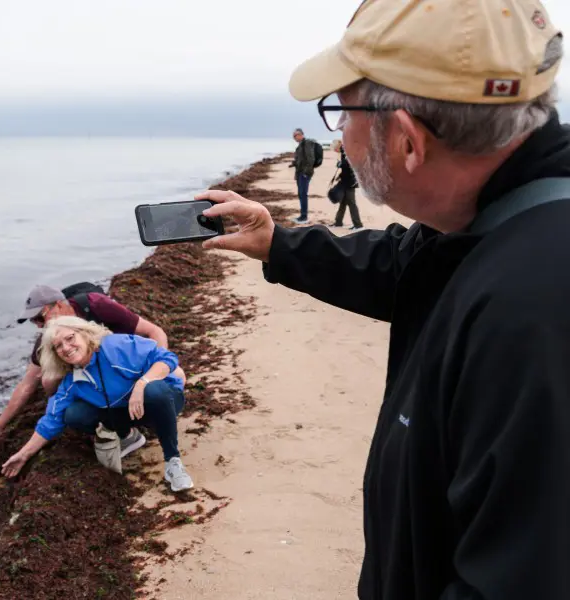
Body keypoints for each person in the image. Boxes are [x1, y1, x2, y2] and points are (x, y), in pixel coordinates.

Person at [195, 0, 570, 597]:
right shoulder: (484, 224)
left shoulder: (531, 313)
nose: (339, 135)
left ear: (408, 142)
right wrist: (276, 243)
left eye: (340, 113)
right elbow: (410, 266)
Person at [1, 316, 194, 492]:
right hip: (125, 412)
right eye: (58, 346)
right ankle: (128, 437)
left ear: (85, 335)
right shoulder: (72, 380)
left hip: (162, 402)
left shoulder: (116, 347)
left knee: (155, 390)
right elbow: (51, 419)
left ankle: (173, 462)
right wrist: (23, 454)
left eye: (70, 338)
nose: (66, 348)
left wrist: (142, 384)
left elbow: (166, 357)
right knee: (74, 414)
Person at [0, 284, 171, 454]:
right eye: (33, 322)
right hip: (98, 387)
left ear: (59, 304)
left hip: (129, 371)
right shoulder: (47, 341)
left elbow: (155, 331)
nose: (39, 326)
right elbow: (28, 385)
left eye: (40, 317)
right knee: (63, 401)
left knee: (155, 392)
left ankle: (150, 414)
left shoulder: (95, 305)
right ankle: (119, 430)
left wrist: (159, 372)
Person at [331, 140, 363, 230]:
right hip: (346, 181)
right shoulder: (344, 151)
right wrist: (340, 175)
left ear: (337, 147)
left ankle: (358, 225)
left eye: (335, 150)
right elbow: (347, 168)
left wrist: (340, 164)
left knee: (352, 203)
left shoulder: (346, 151)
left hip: (349, 183)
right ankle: (338, 222)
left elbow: (349, 166)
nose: (335, 151)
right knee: (343, 203)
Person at [291, 128, 315, 224]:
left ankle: (304, 217)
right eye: (293, 136)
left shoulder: (306, 143)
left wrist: (305, 172)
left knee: (303, 194)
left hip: (304, 174)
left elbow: (310, 159)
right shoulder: (301, 145)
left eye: (295, 136)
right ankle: (302, 215)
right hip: (300, 173)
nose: (294, 138)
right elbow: (301, 160)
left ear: (301, 135)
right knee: (301, 194)